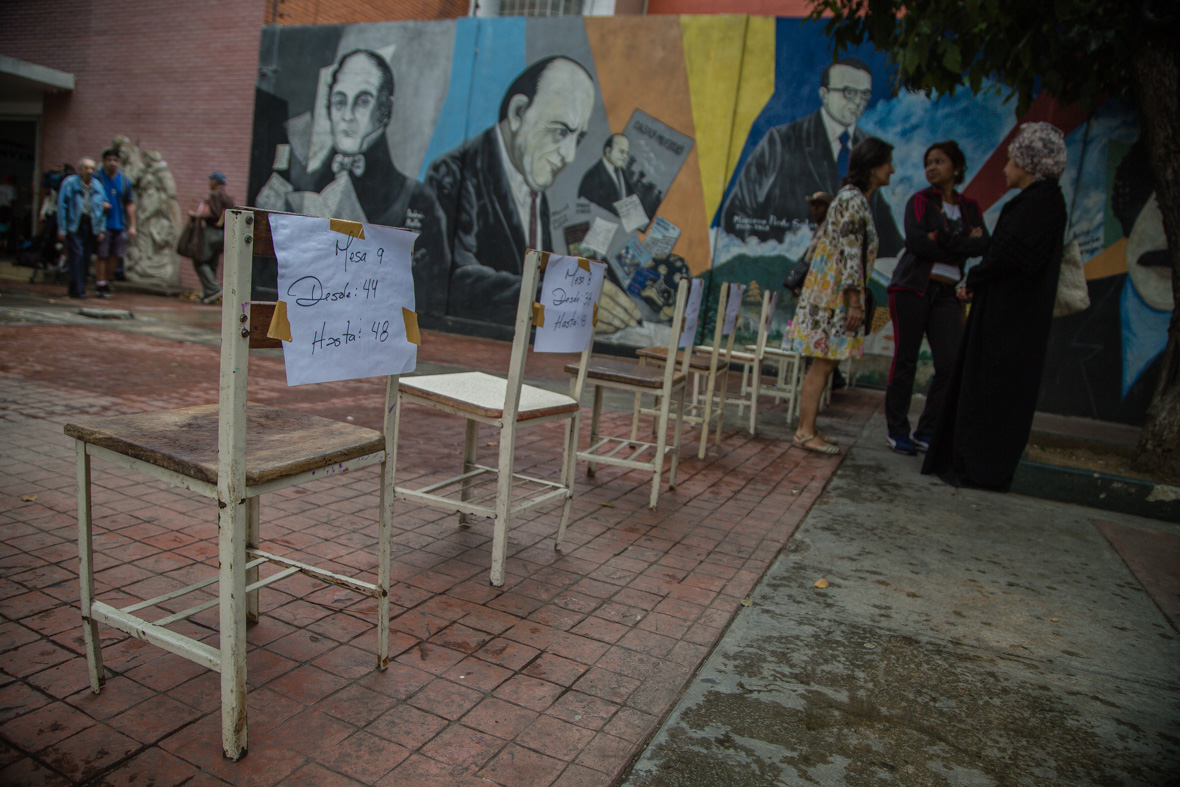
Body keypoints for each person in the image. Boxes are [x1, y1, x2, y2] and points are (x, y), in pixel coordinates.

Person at [427, 56, 640, 332]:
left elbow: (533, 273)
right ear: (518, 113)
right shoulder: (453, 174)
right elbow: (456, 282)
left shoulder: (533, 181)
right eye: (560, 131)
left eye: (578, 138)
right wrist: (558, 297)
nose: (569, 155)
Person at [922, 123, 1069, 491]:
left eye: (1011, 160)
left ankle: (977, 466)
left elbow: (1008, 255)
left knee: (990, 391)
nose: (1005, 168)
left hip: (1008, 322)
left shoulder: (1038, 204)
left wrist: (976, 277)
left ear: (1029, 163)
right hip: (1010, 316)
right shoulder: (1043, 202)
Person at [257, 49, 450, 315]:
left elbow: (428, 298)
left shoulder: (417, 199)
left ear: (385, 110)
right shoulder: (298, 187)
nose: (347, 115)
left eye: (362, 102)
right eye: (339, 102)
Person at [721, 58, 902, 257]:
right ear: (824, 94)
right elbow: (737, 214)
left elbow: (887, 232)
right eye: (849, 92)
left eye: (865, 94)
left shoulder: (867, 146)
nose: (858, 101)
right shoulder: (782, 140)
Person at [788, 137, 894, 454]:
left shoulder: (852, 199)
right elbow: (850, 253)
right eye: (888, 163)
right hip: (834, 298)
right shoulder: (852, 200)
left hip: (831, 295)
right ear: (873, 166)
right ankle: (805, 432)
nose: (892, 169)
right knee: (822, 364)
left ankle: (808, 427)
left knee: (826, 363)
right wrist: (855, 302)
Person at [884, 141, 989, 455]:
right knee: (906, 359)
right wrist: (961, 239)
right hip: (912, 288)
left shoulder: (970, 207)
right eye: (928, 162)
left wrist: (941, 237)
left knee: (951, 363)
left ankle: (926, 431)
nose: (931, 167)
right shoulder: (920, 201)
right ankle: (897, 431)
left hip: (947, 294)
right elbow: (917, 244)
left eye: (939, 161)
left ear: (957, 168)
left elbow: (982, 245)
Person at [56, 157, 106, 299]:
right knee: (77, 255)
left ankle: (80, 288)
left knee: (86, 257)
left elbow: (102, 209)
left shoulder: (97, 186)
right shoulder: (70, 183)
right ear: (80, 169)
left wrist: (101, 229)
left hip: (91, 224)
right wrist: (62, 228)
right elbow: (62, 206)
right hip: (75, 223)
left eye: (92, 168)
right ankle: (76, 289)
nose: (90, 171)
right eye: (86, 168)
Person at [96, 148, 136, 297]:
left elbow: (129, 203)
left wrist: (132, 225)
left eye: (115, 160)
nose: (112, 163)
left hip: (120, 224)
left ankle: (105, 281)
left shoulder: (124, 181)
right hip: (102, 224)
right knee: (102, 254)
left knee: (117, 254)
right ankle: (100, 283)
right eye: (109, 160)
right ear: (104, 161)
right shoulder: (97, 178)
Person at [190, 172, 235, 303]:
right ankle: (208, 294)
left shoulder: (215, 195)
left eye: (211, 180)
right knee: (212, 263)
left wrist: (199, 216)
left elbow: (215, 214)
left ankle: (214, 290)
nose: (209, 182)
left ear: (215, 181)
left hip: (212, 233)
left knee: (200, 261)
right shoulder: (228, 197)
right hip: (223, 234)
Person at [578, 133, 635, 215]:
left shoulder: (621, 172)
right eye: (621, 152)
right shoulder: (592, 177)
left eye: (627, 153)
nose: (625, 156)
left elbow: (631, 198)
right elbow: (583, 211)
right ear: (608, 151)